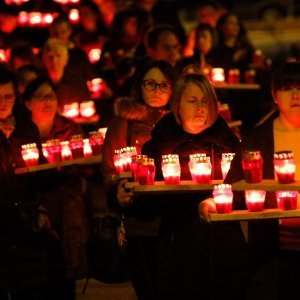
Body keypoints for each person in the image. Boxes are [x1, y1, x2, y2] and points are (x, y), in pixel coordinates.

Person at [139, 73, 247, 299]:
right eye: (192, 101)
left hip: (225, 242)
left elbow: (243, 191)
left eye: (205, 100)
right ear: (177, 105)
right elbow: (146, 206)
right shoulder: (158, 147)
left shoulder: (229, 144)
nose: (200, 107)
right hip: (177, 242)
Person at [199, 61, 300, 299]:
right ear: (275, 95)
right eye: (287, 88)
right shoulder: (258, 139)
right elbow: (233, 186)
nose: (296, 95)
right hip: (275, 251)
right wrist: (212, 203)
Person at [102, 59, 177, 300]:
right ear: (139, 86)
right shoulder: (124, 121)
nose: (157, 90)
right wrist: (118, 190)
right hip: (140, 217)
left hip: (175, 215)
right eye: (150, 83)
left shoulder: (180, 121)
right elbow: (111, 168)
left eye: (164, 84)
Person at [23, 76, 89, 300]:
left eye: (50, 96)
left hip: (66, 208)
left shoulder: (69, 129)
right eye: (41, 97)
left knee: (63, 272)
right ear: (28, 103)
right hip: (33, 210)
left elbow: (81, 165)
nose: (47, 101)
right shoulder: (22, 133)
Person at [0, 63, 50, 299]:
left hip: (25, 220)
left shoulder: (26, 127)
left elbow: (38, 170)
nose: (3, 103)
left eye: (8, 97)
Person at [41, 38, 91, 113]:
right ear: (44, 60)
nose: (54, 61)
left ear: (65, 59)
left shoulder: (77, 82)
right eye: (50, 57)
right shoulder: (39, 84)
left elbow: (87, 108)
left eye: (58, 56)